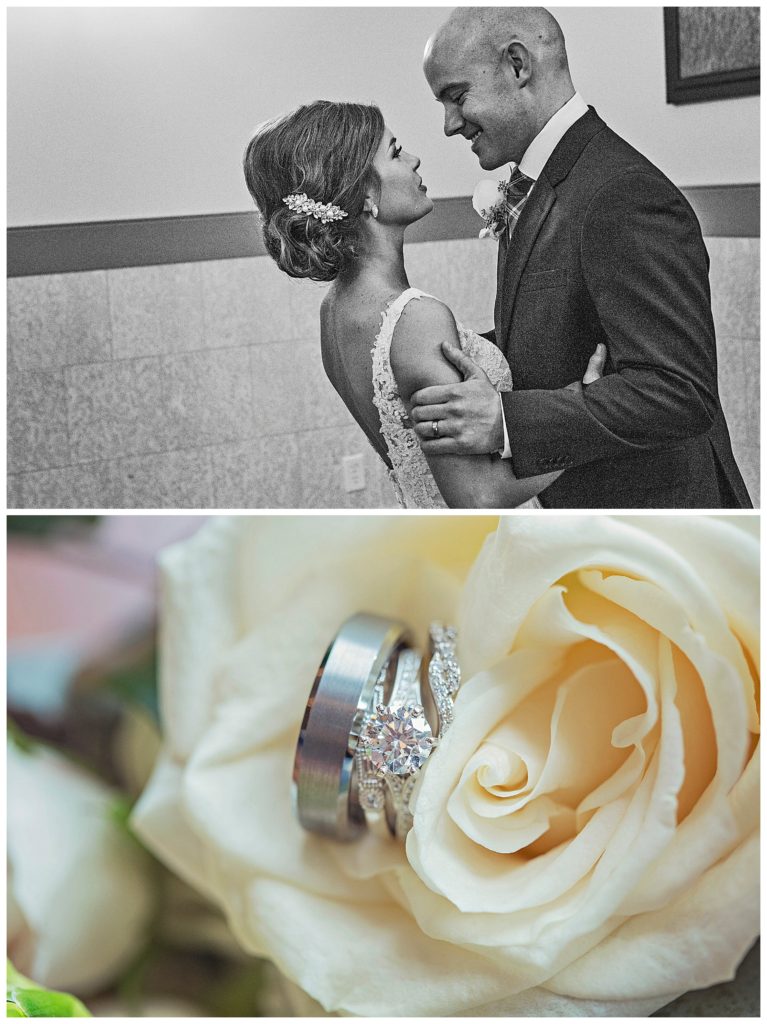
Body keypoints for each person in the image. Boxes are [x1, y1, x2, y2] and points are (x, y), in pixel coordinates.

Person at [410, 7, 751, 509]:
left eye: (457, 97)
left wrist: (505, 420)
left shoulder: (622, 191)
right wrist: (429, 357)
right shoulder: (543, 180)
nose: (449, 125)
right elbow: (558, 333)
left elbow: (680, 390)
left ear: (518, 65)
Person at [243, 100, 604, 508]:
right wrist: (581, 413)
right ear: (364, 192)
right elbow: (478, 495)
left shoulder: (334, 312)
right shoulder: (416, 319)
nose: (414, 160)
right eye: (396, 152)